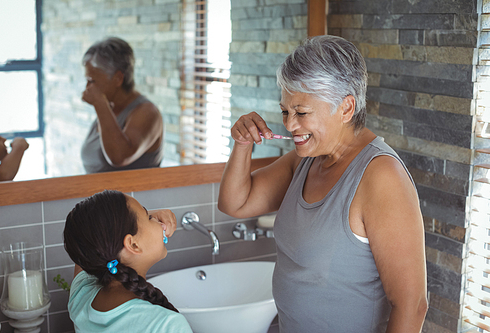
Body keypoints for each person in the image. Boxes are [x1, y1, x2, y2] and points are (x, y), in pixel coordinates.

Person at [218, 35, 428, 332]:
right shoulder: (305, 160)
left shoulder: (381, 176)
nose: (290, 125)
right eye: (285, 111)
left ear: (345, 108)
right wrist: (241, 144)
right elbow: (235, 203)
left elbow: (412, 304)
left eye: (302, 113)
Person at [64, 190, 192, 333]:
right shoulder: (166, 325)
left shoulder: (82, 295)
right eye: (149, 217)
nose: (157, 221)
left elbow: (88, 241)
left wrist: (136, 222)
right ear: (133, 245)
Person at [80, 37, 164, 173]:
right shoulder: (109, 110)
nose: (88, 87)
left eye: (92, 81)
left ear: (118, 78)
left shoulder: (148, 112)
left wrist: (100, 103)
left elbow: (119, 157)